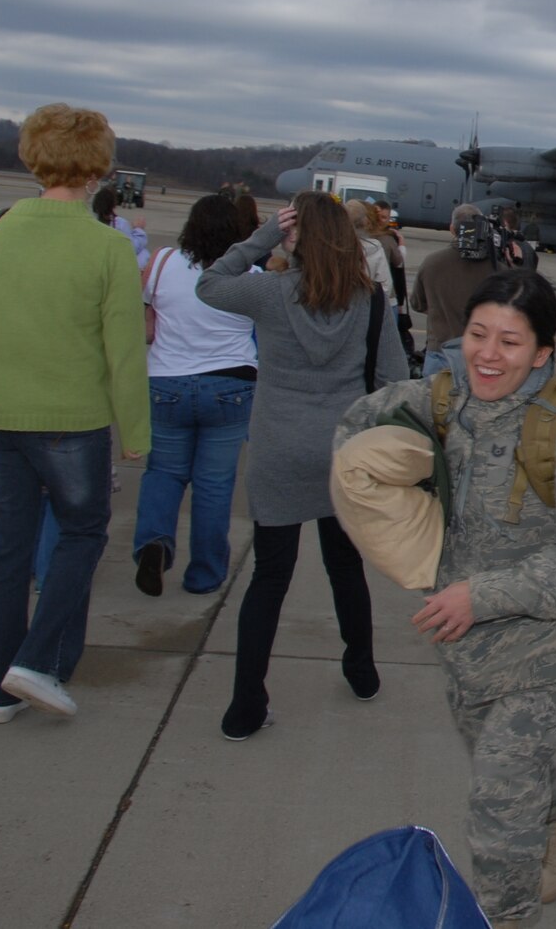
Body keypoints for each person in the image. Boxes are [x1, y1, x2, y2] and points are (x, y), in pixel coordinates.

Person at [334, 271, 556, 926]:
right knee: (513, 773)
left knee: (498, 804)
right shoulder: (446, 400)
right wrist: (386, 493)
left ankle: (504, 916)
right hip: (467, 646)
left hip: (548, 650)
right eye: (477, 335)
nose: (489, 354)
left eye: (510, 341)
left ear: (543, 353)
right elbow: (361, 421)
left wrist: (483, 593)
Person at [0, 104, 150, 722]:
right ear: (98, 164)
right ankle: (35, 662)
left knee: (8, 552)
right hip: (69, 419)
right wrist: (137, 434)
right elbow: (124, 352)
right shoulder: (106, 246)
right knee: (81, 534)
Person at [198, 191, 407, 739]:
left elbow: (210, 283)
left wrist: (263, 237)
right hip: (340, 450)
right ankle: (360, 668)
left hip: (278, 448)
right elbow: (392, 379)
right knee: (345, 567)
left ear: (298, 235)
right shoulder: (371, 300)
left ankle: (245, 703)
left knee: (270, 576)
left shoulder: (270, 294)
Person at [132, 194, 258, 597]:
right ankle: (204, 572)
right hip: (231, 384)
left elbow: (148, 324)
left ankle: (154, 542)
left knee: (164, 473)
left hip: (167, 380)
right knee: (215, 484)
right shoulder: (251, 274)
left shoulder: (164, 262)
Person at [411, 205, 501, 377]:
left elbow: (417, 303)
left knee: (434, 401)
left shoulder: (432, 263)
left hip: (440, 350)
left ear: (452, 229)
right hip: (480, 355)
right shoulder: (496, 268)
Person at [91, 183, 150, 268]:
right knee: (143, 254)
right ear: (114, 204)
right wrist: (139, 230)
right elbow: (132, 249)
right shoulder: (120, 224)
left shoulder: (90, 220)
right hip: (111, 266)